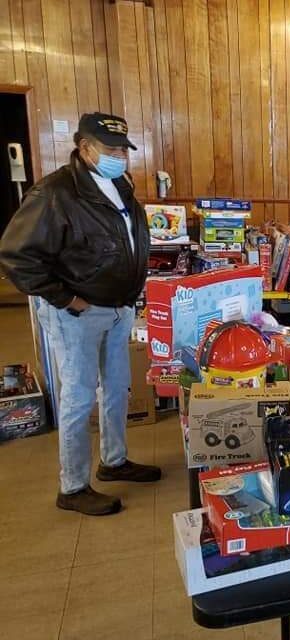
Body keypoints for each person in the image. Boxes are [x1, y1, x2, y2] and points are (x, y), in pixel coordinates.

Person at [0, 112, 161, 516]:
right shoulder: (53, 193)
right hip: (77, 312)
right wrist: (67, 299)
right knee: (78, 397)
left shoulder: (119, 184)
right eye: (110, 149)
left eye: (124, 149)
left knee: (117, 388)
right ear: (84, 147)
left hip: (117, 307)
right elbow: (16, 257)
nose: (120, 156)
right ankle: (72, 487)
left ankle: (113, 460)